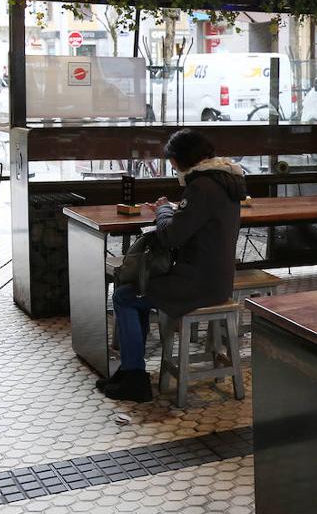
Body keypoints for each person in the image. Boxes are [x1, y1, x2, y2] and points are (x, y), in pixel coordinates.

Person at [100, 130, 246, 402]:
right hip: (217, 278)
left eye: (172, 161)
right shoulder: (226, 181)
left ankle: (134, 378)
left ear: (182, 160)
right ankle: (131, 370)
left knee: (124, 297)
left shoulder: (201, 187)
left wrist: (164, 211)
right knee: (137, 292)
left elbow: (170, 237)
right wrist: (173, 211)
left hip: (196, 283)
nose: (172, 167)